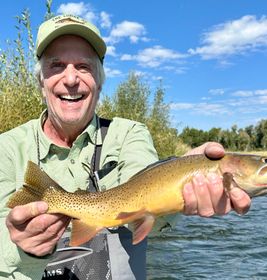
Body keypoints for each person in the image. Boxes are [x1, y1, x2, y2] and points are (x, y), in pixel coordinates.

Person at [0, 14, 251, 280]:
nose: (71, 79)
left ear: (100, 81)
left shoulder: (129, 134)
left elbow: (144, 184)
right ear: (41, 82)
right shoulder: (6, 148)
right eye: (57, 65)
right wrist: (25, 248)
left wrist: (181, 171)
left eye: (84, 66)